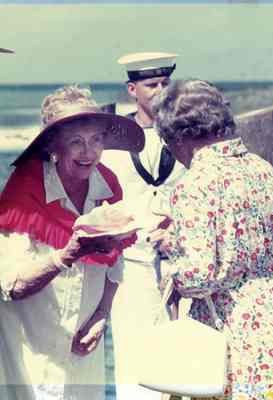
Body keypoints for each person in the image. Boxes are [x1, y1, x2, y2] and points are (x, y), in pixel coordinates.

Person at [151, 79, 273, 400]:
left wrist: (171, 274)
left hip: (233, 325)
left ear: (179, 137)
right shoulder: (262, 168)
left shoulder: (195, 183)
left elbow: (200, 276)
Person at [0, 85, 143, 400]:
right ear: (53, 145)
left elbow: (115, 263)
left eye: (96, 140)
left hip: (82, 347)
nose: (88, 152)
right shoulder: (24, 191)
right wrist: (67, 255)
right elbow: (11, 286)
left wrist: (102, 314)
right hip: (32, 349)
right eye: (76, 142)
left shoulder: (108, 186)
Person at [101, 52, 186, 400]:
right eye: (152, 84)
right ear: (132, 89)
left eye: (166, 83)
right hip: (130, 268)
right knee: (133, 365)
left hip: (180, 264)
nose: (161, 90)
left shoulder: (186, 133)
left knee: (182, 364)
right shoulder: (109, 138)